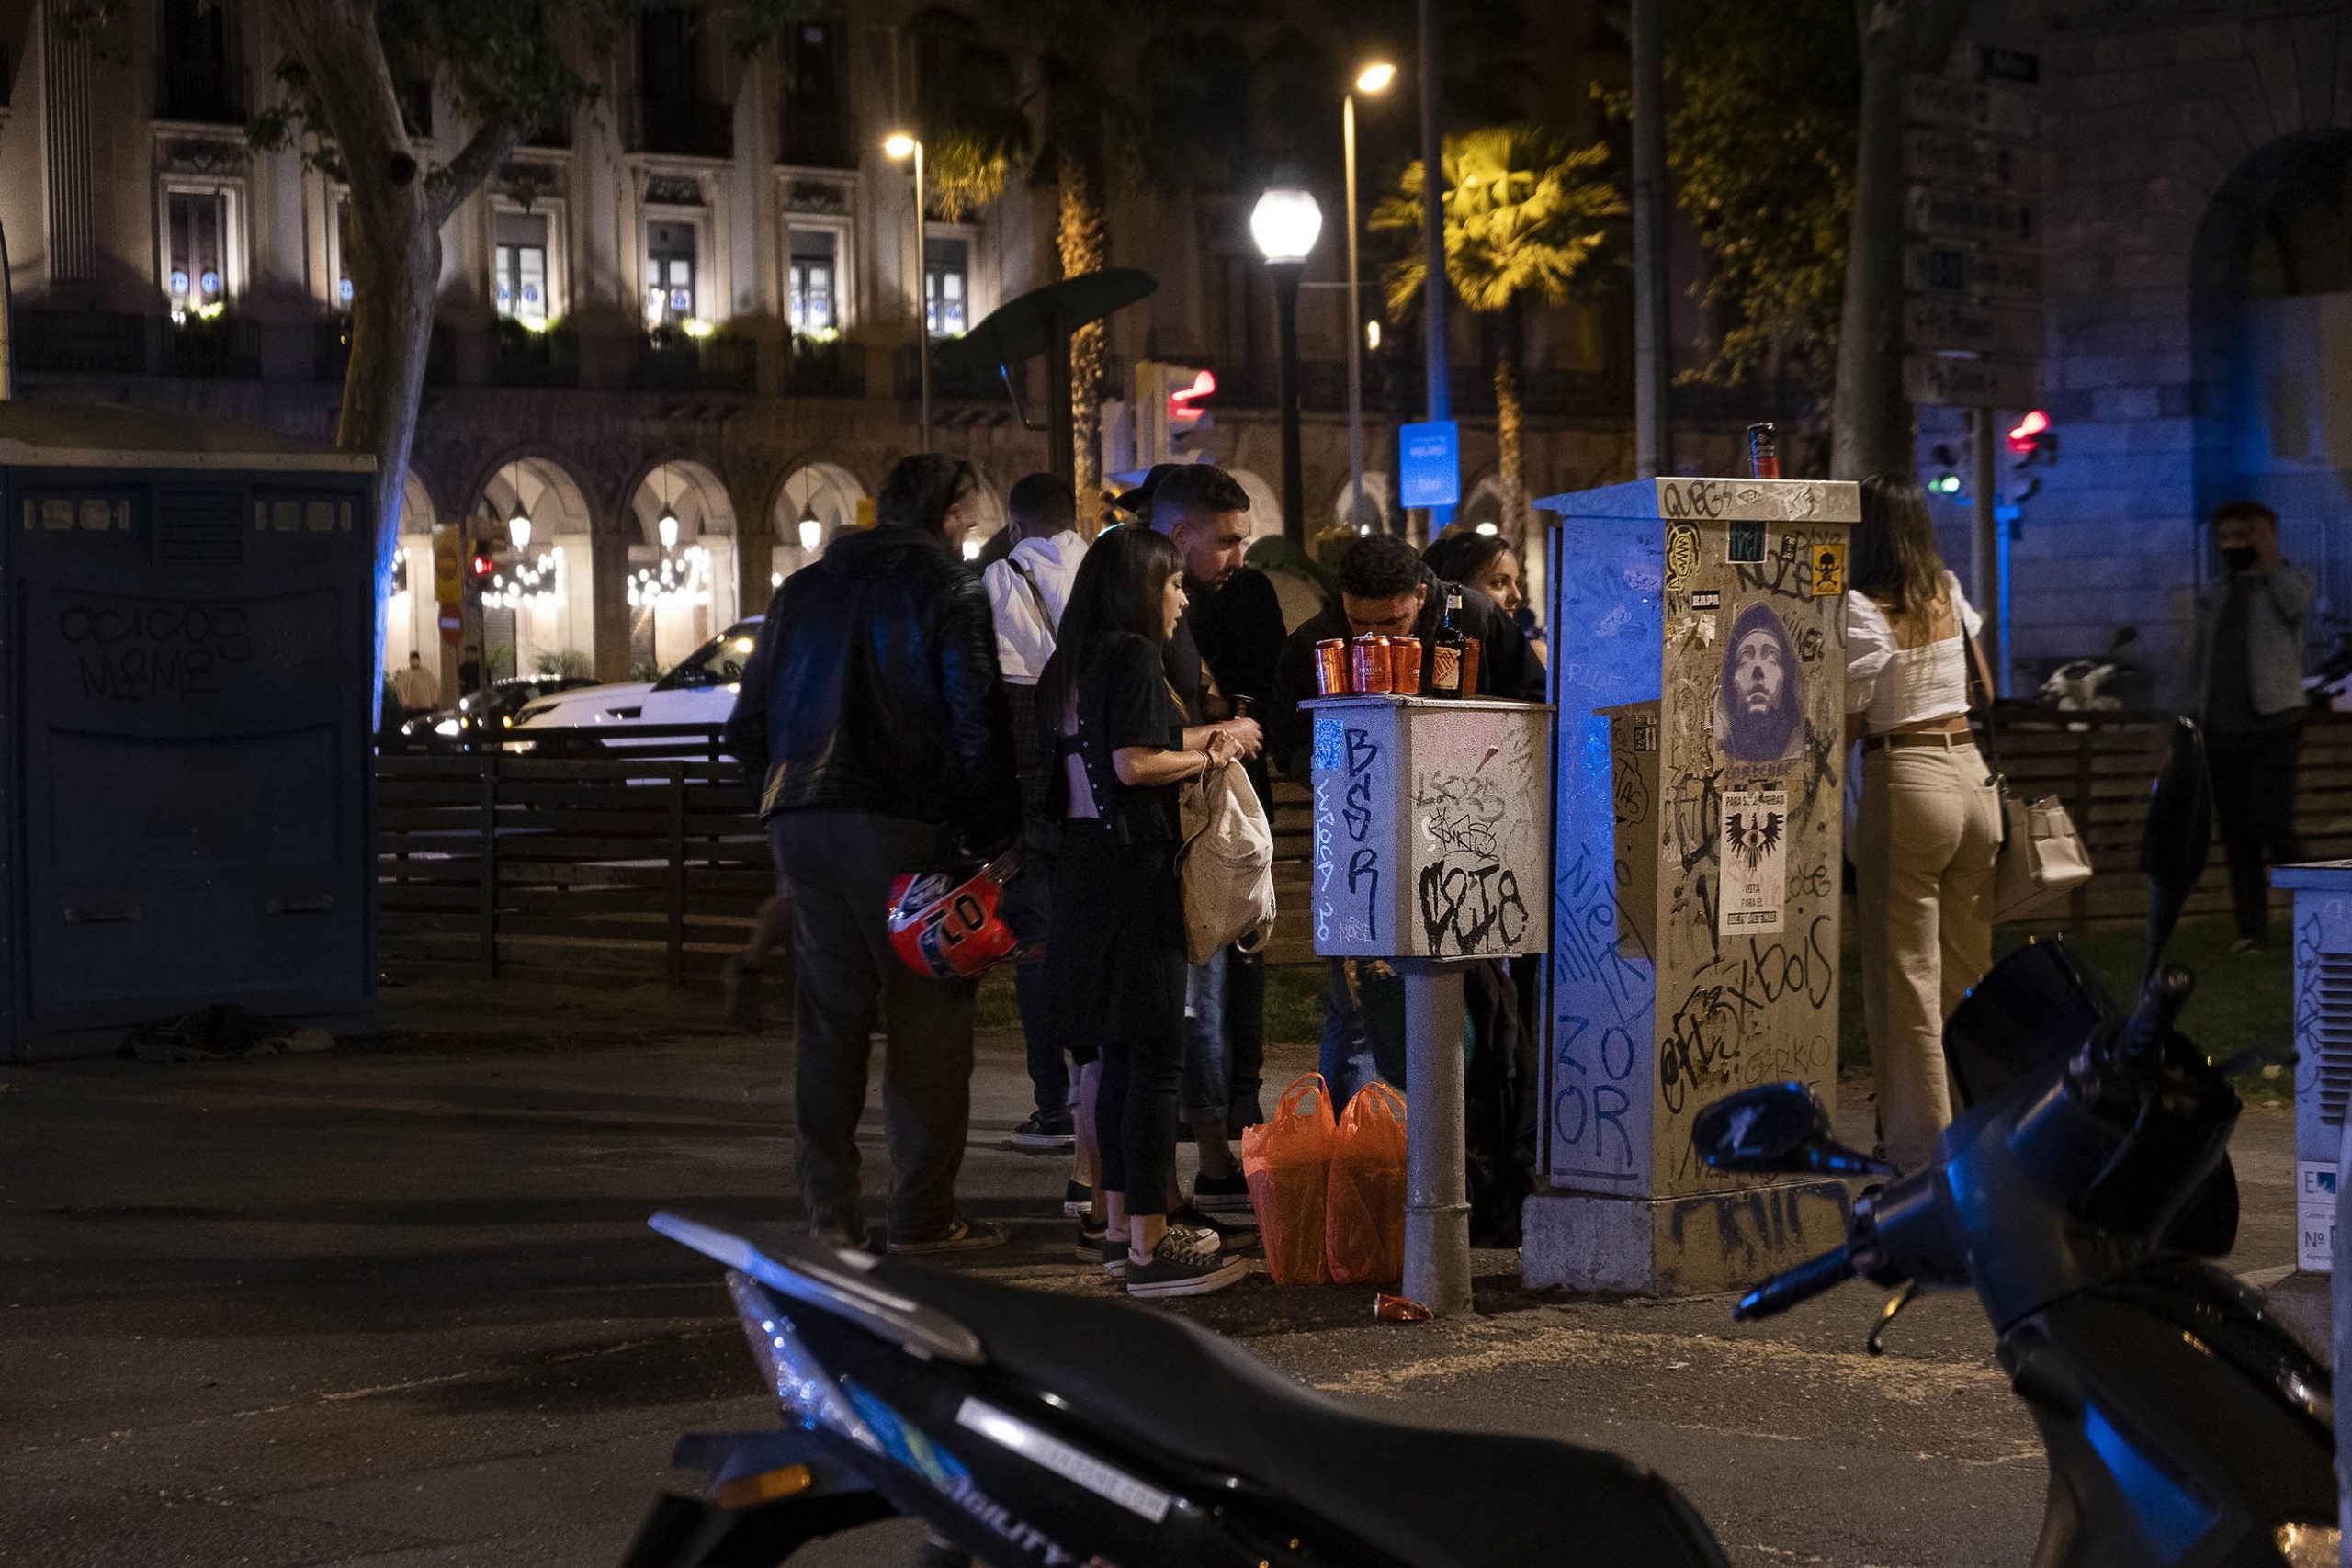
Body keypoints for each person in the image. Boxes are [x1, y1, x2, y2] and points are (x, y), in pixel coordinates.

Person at [724, 453, 1018, 1255]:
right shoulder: (948, 587)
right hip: (905, 824)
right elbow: (975, 719)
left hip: (805, 822)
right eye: (967, 514)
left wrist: (785, 805)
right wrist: (993, 837)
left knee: (829, 1019)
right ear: (947, 512)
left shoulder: (802, 590)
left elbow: (744, 726)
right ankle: (922, 1216)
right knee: (927, 1023)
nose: (970, 529)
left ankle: (831, 1209)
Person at [1037, 524, 1252, 1297]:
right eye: (1172, 584)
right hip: (1134, 872)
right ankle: (1153, 1247)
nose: (1182, 597)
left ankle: (1126, 1227)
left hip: (1083, 872)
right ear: (1139, 588)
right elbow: (1134, 762)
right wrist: (1213, 753)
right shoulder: (1131, 654)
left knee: (1122, 1056)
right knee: (1154, 1055)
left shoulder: (1070, 662)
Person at [1272, 533, 1544, 1104]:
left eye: (1391, 624)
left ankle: (1465, 1142)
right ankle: (1360, 1150)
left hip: (1468, 834)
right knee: (1360, 1004)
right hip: (1360, 833)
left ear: (1421, 596)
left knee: (1471, 991)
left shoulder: (1476, 620)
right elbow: (1292, 735)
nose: (1372, 639)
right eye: (1358, 624)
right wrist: (1333, 772)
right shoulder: (1315, 640)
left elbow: (1530, 705)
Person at [1843, 474, 2001, 1173]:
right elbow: (1985, 690)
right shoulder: (1945, 590)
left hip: (1909, 780)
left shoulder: (1859, 608)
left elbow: (1847, 718)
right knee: (1970, 978)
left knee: (1907, 977)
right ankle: (1987, 1133)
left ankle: (1923, 1157)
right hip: (1973, 779)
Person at [1138, 464, 1281, 1212]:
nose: (1237, 557)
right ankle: (1170, 1190)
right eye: (1226, 541)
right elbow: (1135, 747)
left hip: (1210, 824)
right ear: (1179, 535)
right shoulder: (1135, 622)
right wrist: (1220, 736)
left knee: (1221, 990)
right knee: (1188, 1006)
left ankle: (1212, 1151)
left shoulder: (1242, 595)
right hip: (1175, 832)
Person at [981, 472, 1089, 1153]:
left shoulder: (999, 579)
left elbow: (1006, 701)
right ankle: (1101, 1092)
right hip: (1106, 784)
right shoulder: (1107, 563)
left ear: (1017, 526)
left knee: (1039, 946)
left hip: (1037, 788)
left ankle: (1053, 1104)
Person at [2186, 499, 2316, 953]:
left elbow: (2298, 607)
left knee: (2273, 824)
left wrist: (2269, 556)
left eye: (2242, 536)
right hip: (2223, 728)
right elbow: (2200, 660)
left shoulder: (2288, 581)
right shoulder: (2217, 591)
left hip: (2276, 720)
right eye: (2225, 538)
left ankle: (2324, 914)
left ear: (2265, 537)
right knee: (2238, 833)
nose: (2232, 546)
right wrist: (2188, 719)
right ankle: (2252, 931)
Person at [393, 650, 438, 717]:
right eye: (412, 658)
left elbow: (434, 687)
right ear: (409, 660)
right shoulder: (405, 675)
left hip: (426, 706)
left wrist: (434, 701)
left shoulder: (427, 673)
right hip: (412, 708)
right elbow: (400, 689)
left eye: (416, 658)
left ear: (419, 659)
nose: (414, 660)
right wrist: (405, 703)